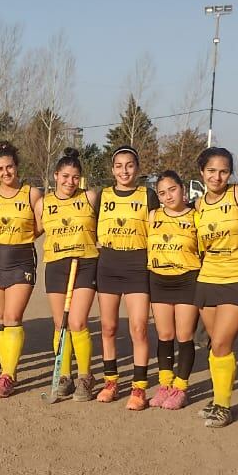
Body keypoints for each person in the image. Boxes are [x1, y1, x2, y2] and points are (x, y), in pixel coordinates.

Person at [193, 147, 238, 428]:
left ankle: (223, 406)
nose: (217, 176)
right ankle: (219, 397)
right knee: (213, 344)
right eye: (211, 171)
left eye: (223, 171)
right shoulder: (199, 205)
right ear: (201, 173)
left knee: (221, 341)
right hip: (208, 278)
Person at [95, 146, 157, 410]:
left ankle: (139, 387)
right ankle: (111, 382)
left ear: (138, 168)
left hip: (136, 264)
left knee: (139, 328)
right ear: (112, 170)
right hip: (108, 263)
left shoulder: (148, 195)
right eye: (119, 166)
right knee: (108, 327)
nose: (124, 171)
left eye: (129, 165)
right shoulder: (103, 195)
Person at [0, 141, 43, 398]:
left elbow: (40, 226)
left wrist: (20, 236)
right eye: (0, 168)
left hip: (21, 258)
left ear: (17, 167)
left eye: (9, 167)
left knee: (12, 317)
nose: (6, 172)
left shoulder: (32, 194)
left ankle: (8, 375)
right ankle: (6, 370)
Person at [39, 148, 99, 401]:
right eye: (65, 176)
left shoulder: (90, 197)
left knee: (77, 322)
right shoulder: (44, 203)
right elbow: (33, 230)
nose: (69, 182)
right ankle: (65, 375)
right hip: (55, 264)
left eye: (75, 177)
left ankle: (85, 376)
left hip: (85, 263)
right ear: (55, 176)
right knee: (60, 324)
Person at [146, 170, 201, 410]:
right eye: (162, 193)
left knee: (184, 336)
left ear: (183, 189)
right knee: (165, 335)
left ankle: (181, 387)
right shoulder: (152, 216)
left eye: (172, 190)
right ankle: (165, 384)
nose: (168, 196)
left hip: (188, 279)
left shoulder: (196, 216)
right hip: (159, 279)